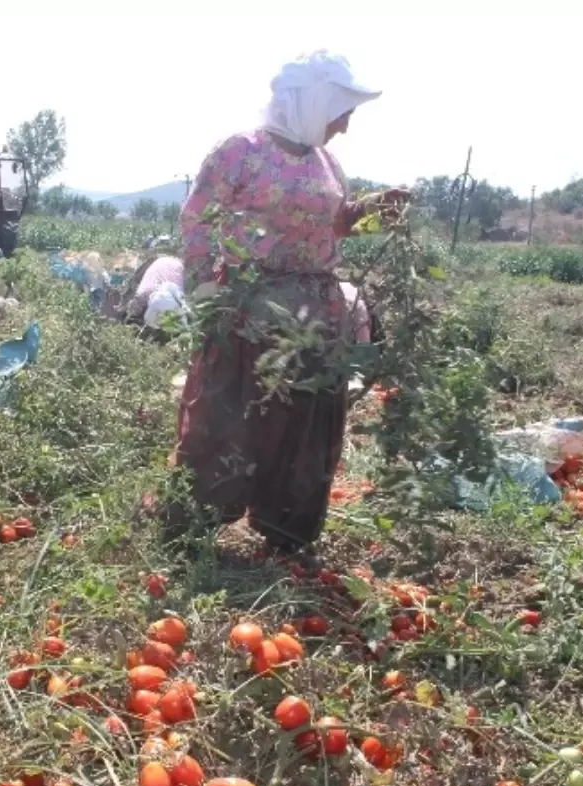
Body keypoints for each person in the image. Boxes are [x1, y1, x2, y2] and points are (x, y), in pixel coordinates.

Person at [165, 50, 409, 554]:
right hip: (249, 314)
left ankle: (284, 532)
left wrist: (374, 212)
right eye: (340, 112)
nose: (344, 126)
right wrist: (208, 297)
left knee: (303, 426)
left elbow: (336, 224)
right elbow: (198, 223)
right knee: (232, 415)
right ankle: (194, 525)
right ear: (312, 102)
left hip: (315, 317)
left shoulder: (327, 162)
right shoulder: (239, 152)